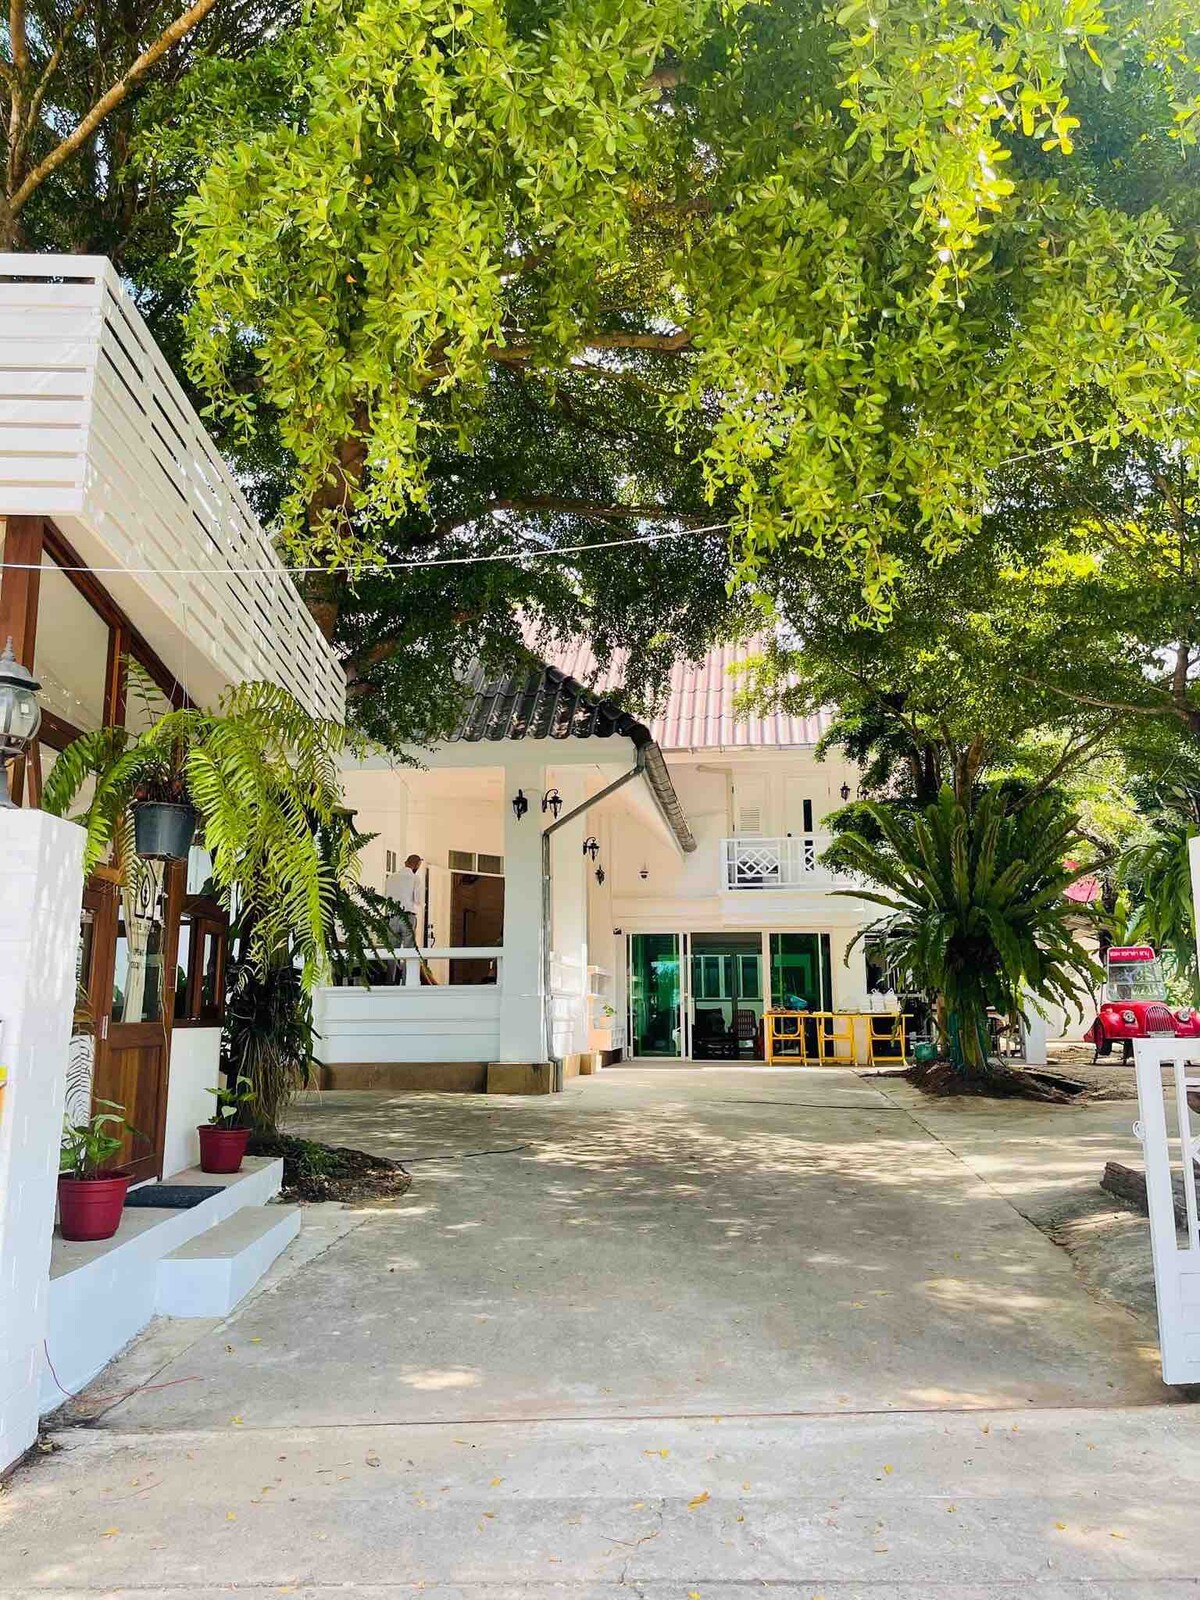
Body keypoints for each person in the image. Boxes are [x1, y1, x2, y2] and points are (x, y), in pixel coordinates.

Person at [385, 854, 423, 980]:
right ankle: (407, 981)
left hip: (392, 917)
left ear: (405, 862)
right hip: (407, 917)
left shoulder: (391, 878)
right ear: (417, 865)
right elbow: (418, 900)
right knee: (409, 951)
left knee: (392, 952)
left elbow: (385, 898)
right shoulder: (415, 879)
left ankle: (390, 982)